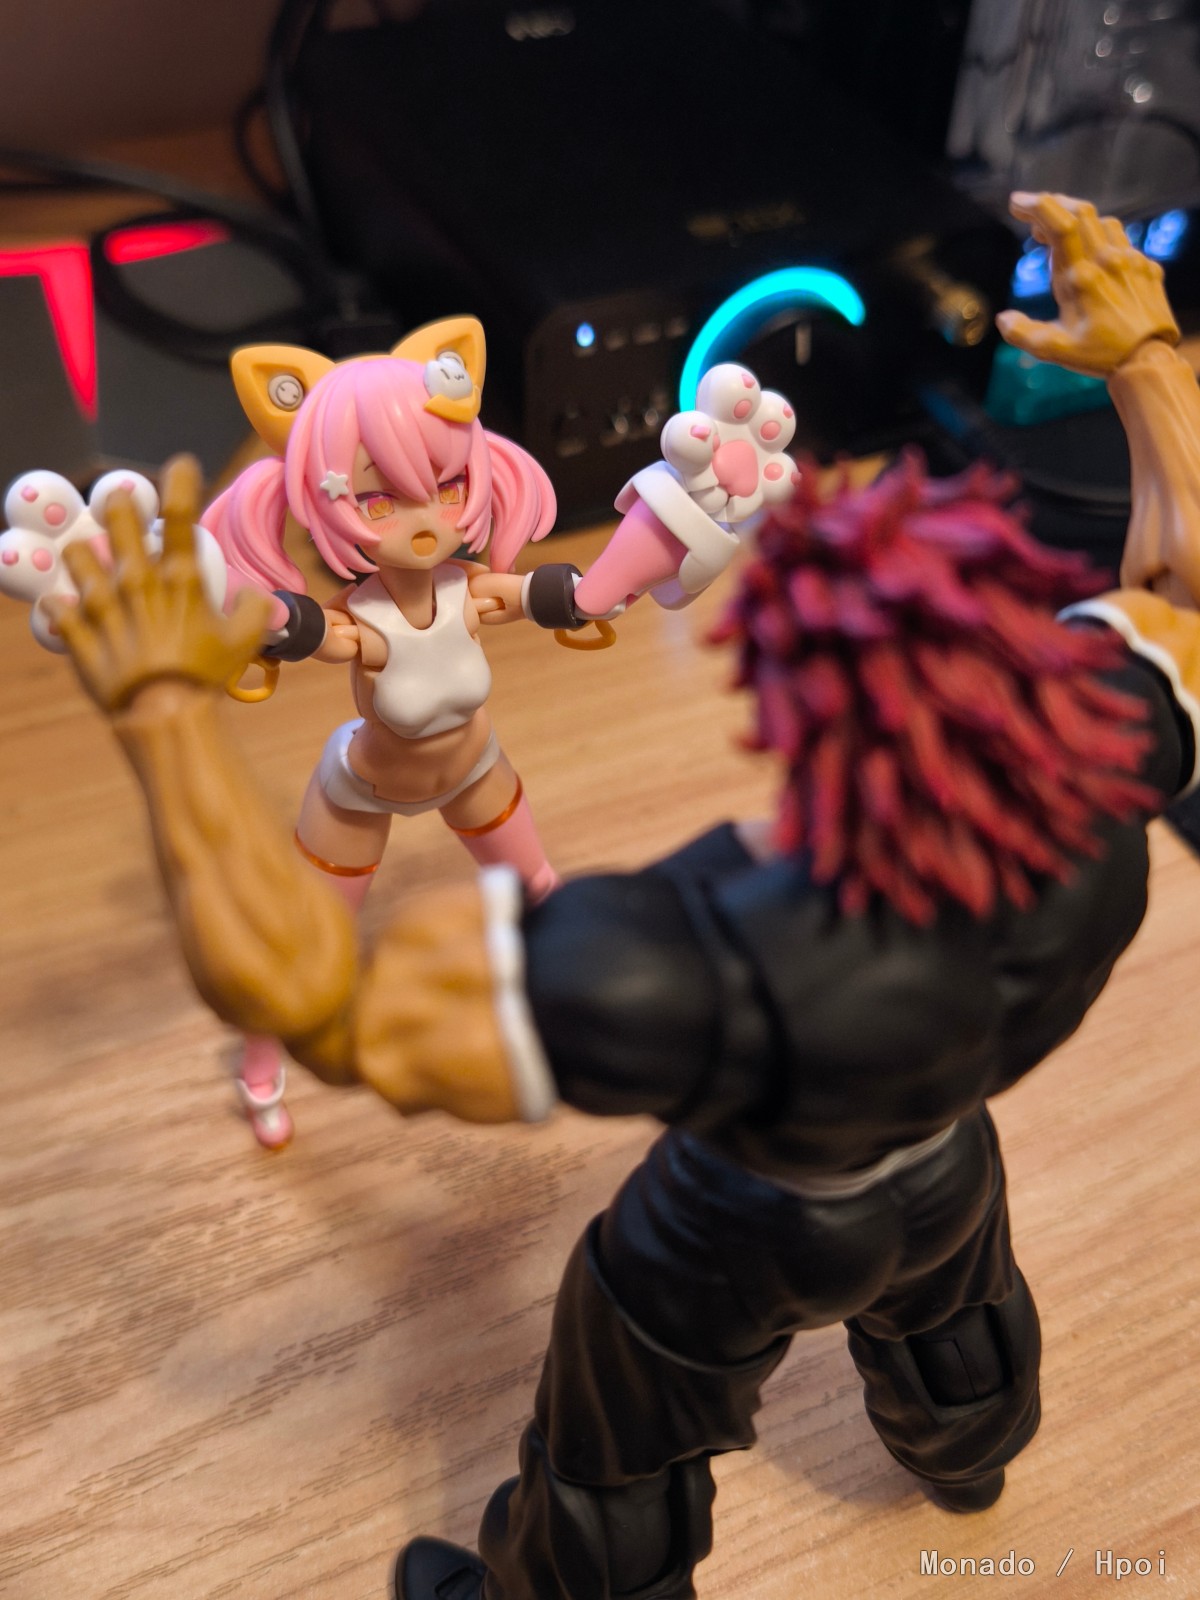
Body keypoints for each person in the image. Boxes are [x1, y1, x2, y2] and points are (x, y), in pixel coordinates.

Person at [43, 191, 1200, 1600]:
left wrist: (160, 711)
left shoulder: (703, 957)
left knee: (618, 1462)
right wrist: (1149, 361)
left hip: (738, 1231)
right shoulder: (1100, 792)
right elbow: (1184, 596)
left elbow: (313, 993)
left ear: (790, 708)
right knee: (961, 1314)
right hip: (949, 1166)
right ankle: (971, 1452)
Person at [199, 318, 558, 1146]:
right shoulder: (357, 619)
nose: (423, 521)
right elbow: (297, 629)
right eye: (378, 500)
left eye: (446, 485)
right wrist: (233, 606)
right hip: (362, 791)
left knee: (542, 889)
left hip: (475, 772)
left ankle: (573, 1007)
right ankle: (260, 1063)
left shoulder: (474, 589)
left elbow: (553, 594)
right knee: (315, 941)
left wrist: (631, 571)